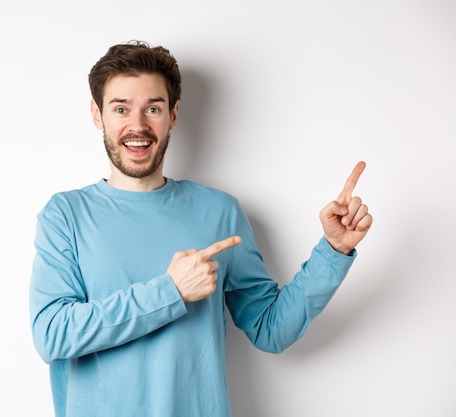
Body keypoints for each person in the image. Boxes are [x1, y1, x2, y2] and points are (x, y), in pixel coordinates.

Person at [29, 40, 372, 417]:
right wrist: (170, 291)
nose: (138, 125)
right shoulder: (65, 215)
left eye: (153, 108)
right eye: (121, 108)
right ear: (98, 115)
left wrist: (333, 250)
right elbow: (52, 335)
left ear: (173, 115)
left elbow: (271, 330)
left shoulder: (219, 212)